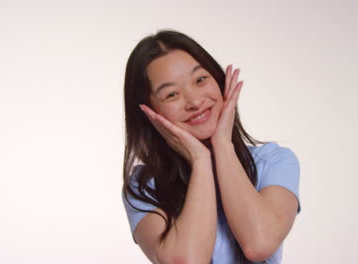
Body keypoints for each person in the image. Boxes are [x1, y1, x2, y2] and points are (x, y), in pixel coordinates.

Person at [122, 29, 301, 264]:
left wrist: (222, 144)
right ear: (149, 113)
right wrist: (200, 160)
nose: (195, 102)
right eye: (172, 94)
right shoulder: (144, 185)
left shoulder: (273, 161)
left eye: (200, 80)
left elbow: (259, 244)